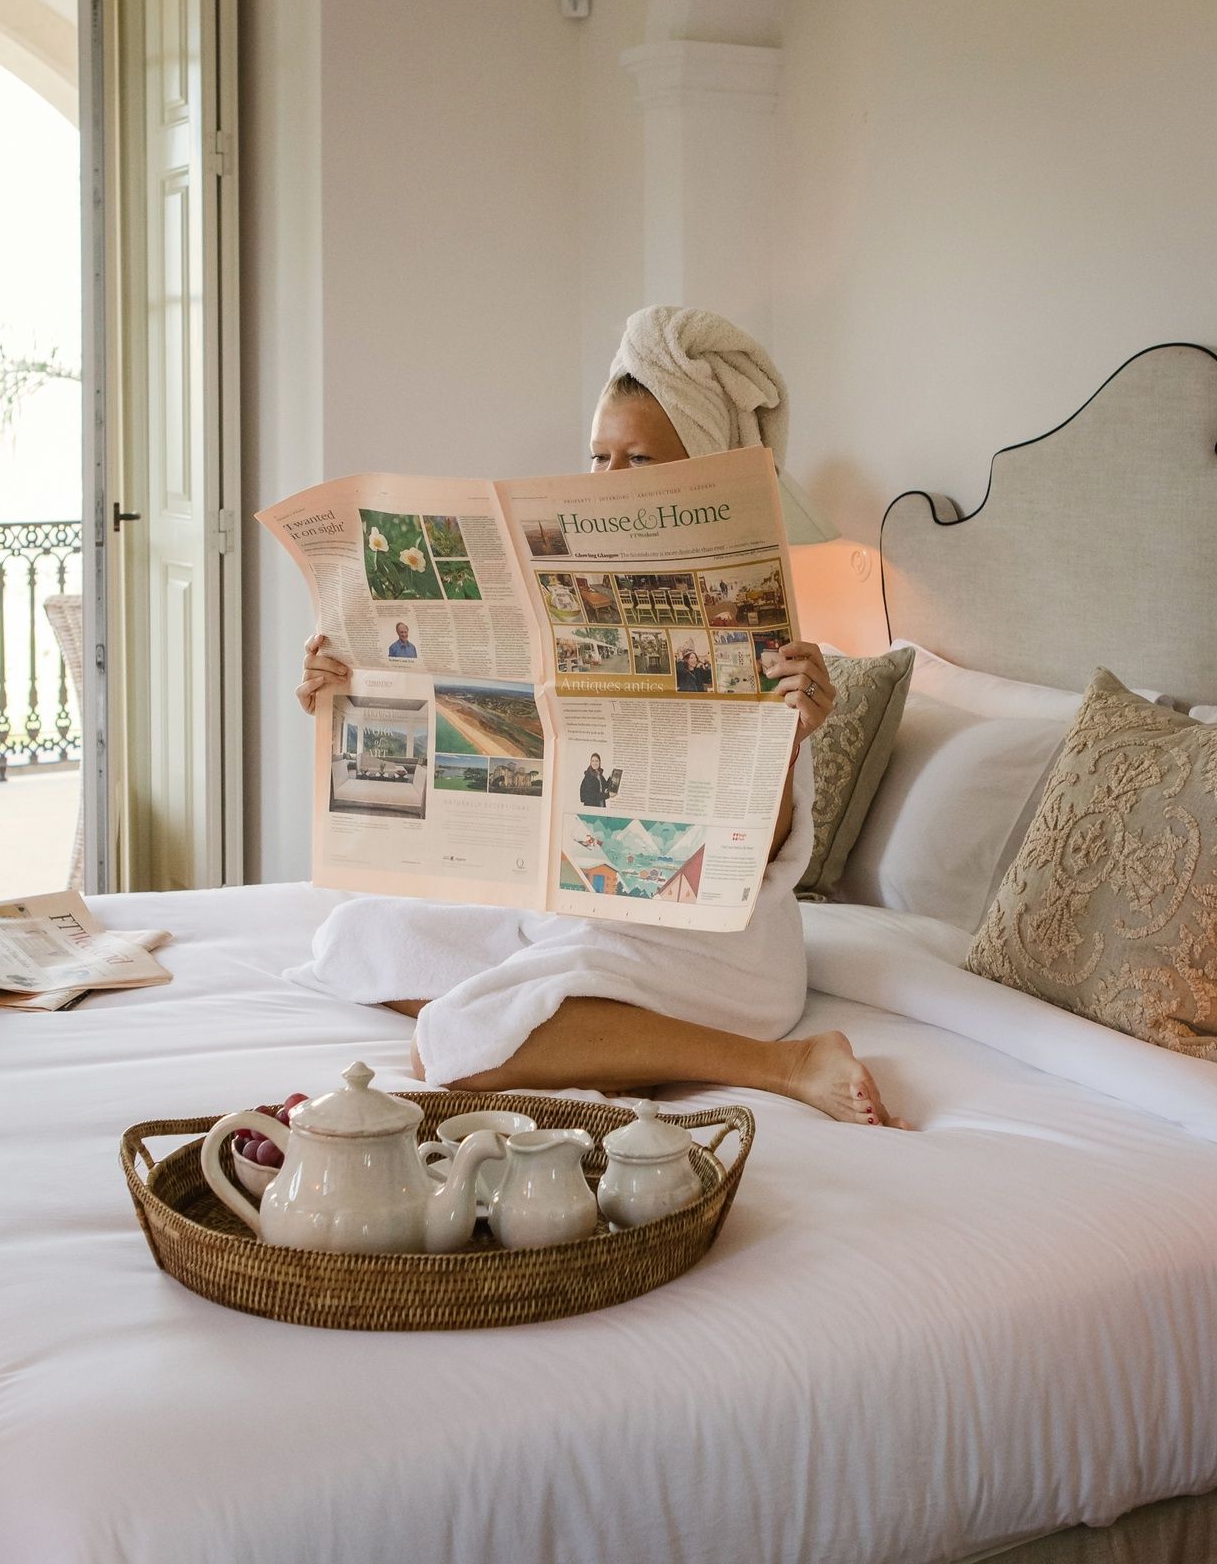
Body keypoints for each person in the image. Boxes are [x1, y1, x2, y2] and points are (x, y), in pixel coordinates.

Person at [292, 306, 892, 1126]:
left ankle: (778, 1063)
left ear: (699, 480)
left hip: (708, 945)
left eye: (638, 459)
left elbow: (749, 871)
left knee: (451, 1047)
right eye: (599, 456)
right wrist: (349, 686)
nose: (608, 479)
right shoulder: (559, 604)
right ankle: (580, 1018)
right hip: (570, 910)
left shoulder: (764, 644)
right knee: (350, 937)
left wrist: (791, 733)